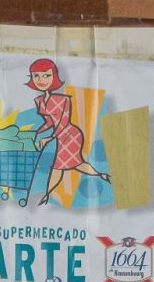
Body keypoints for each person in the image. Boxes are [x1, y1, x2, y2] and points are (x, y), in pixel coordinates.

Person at [25, 59, 110, 205]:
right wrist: (36, 132)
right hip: (59, 136)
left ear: (54, 76)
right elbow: (50, 122)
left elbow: (63, 123)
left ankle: (47, 195)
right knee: (76, 164)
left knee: (59, 167)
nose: (41, 80)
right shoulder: (39, 101)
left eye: (46, 75)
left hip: (70, 134)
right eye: (36, 76)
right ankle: (102, 175)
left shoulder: (63, 100)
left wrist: (48, 138)